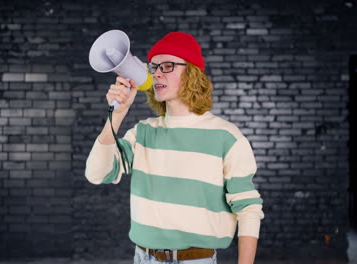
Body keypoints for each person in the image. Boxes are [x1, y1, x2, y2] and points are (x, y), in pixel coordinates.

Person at [85, 31, 264, 264]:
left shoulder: (227, 137)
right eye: (153, 66)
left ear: (192, 73)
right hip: (143, 258)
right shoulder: (143, 132)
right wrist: (117, 116)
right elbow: (96, 174)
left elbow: (248, 208)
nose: (157, 73)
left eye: (167, 66)